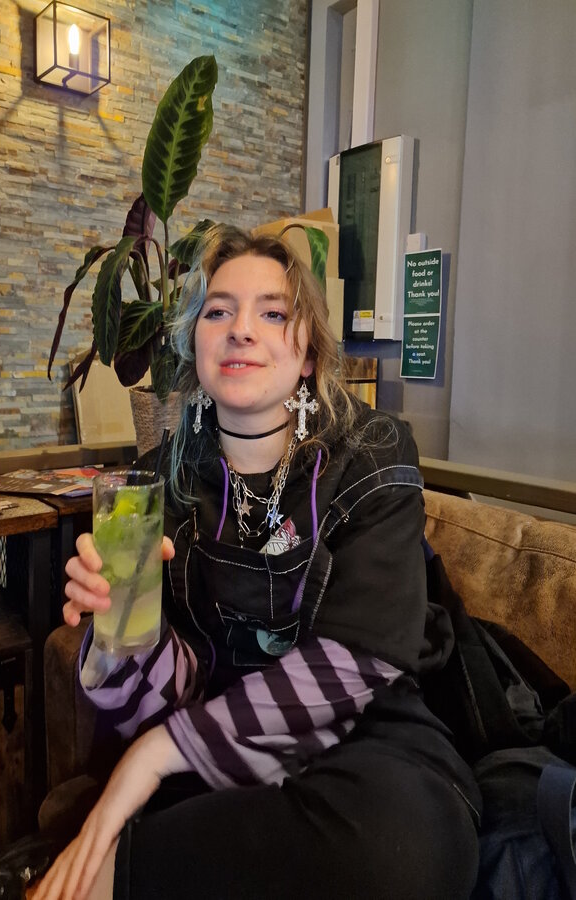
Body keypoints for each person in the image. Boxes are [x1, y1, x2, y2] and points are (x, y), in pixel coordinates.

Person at [33, 226, 481, 900]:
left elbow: (360, 661)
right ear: (196, 343)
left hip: (368, 747)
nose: (241, 329)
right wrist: (124, 632)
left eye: (272, 313)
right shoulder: (157, 481)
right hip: (222, 746)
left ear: (307, 352)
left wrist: (154, 756)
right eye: (218, 311)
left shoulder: (374, 452)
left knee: (408, 848)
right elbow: (162, 696)